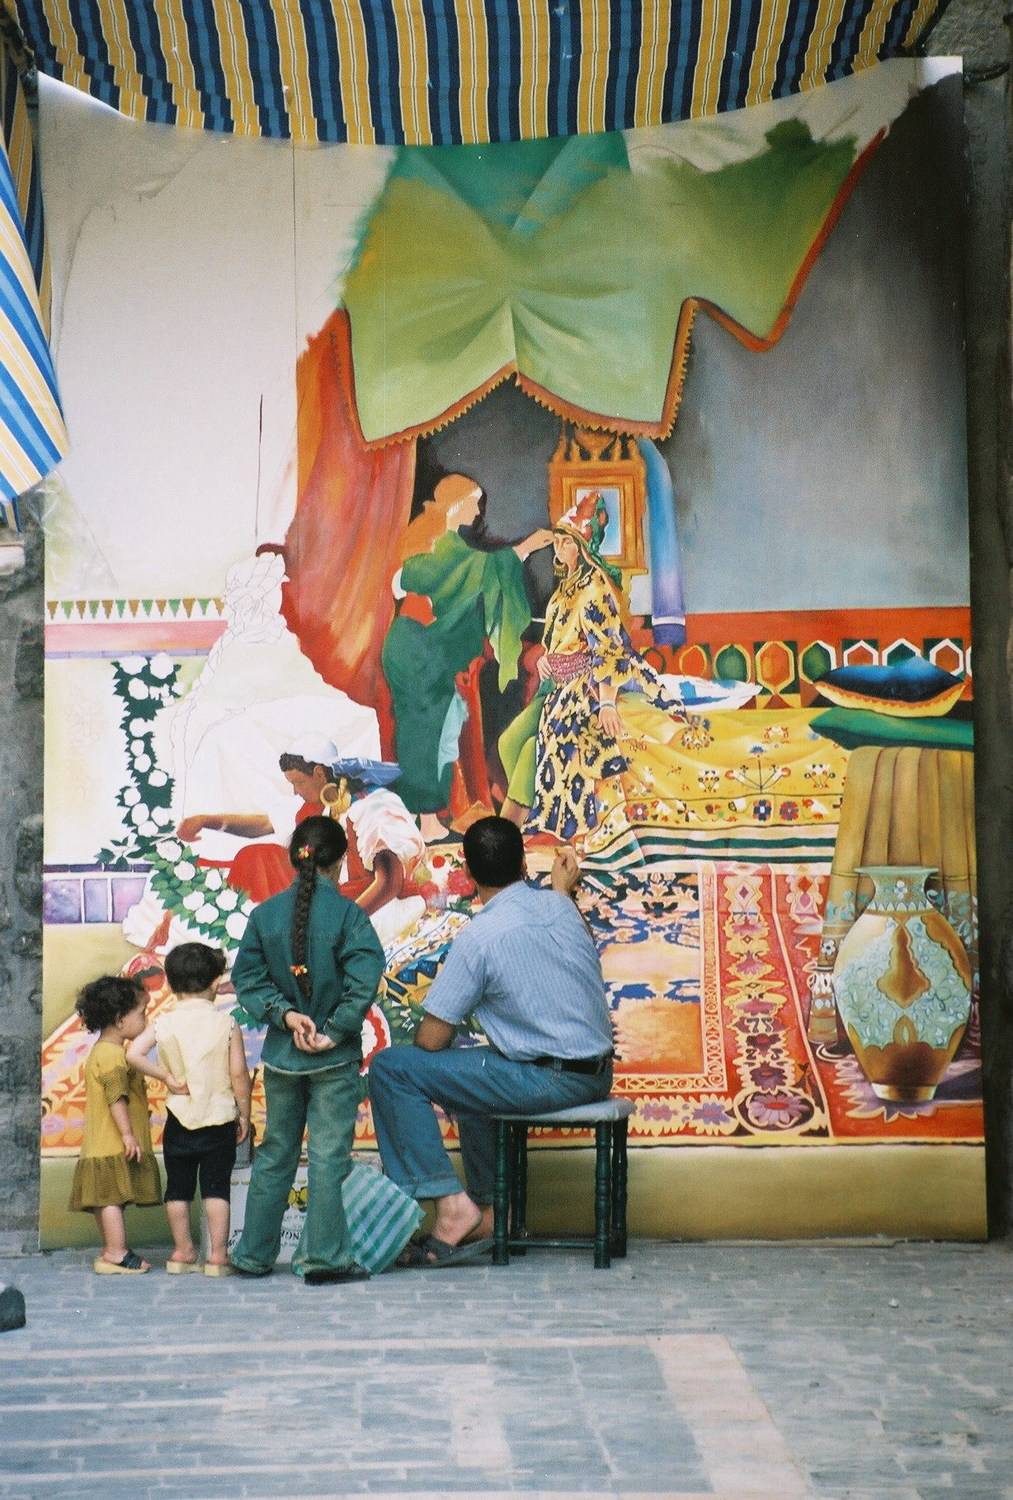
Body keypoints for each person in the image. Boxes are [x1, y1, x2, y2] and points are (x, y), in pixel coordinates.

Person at [368, 816, 614, 1266]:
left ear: (467, 872)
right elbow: (562, 923)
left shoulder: (479, 938)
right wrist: (562, 887)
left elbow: (430, 1042)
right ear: (523, 863)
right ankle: (491, 1210)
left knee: (392, 1069)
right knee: (473, 1071)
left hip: (547, 1080)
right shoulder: (561, 907)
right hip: (596, 1074)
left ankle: (452, 1208)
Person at [228, 816, 386, 1284]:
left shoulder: (264, 916)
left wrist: (285, 1016)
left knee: (276, 1152)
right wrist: (334, 1031)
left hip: (283, 1057)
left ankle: (253, 1255)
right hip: (333, 1059)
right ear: (339, 862)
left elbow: (248, 980)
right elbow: (363, 981)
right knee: (328, 1156)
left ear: (294, 859)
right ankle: (322, 1258)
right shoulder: (350, 917)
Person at [498, 491, 687, 842]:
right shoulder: (567, 586)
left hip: (585, 686)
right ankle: (524, 816)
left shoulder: (594, 587)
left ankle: (509, 834)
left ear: (583, 548)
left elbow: (609, 649)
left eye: (567, 542)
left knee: (531, 752)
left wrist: (607, 703)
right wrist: (544, 658)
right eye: (557, 540)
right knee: (508, 742)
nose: (559, 548)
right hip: (556, 684)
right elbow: (560, 635)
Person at [381, 473, 552, 842]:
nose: (477, 512)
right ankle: (427, 821)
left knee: (443, 729)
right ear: (456, 504)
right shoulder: (432, 543)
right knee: (424, 733)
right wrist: (523, 549)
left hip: (429, 652)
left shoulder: (449, 546)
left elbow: (470, 575)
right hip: (416, 650)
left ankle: (431, 819)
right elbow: (471, 572)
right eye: (473, 503)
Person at [126, 942, 252, 1277]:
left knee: (178, 1189)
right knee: (216, 1188)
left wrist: (166, 1076)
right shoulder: (227, 1024)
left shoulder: (164, 1023)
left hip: (179, 1118)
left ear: (170, 983)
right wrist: (244, 1114)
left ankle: (182, 1251)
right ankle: (218, 1256)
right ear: (215, 982)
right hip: (219, 1118)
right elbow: (239, 1074)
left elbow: (133, 1054)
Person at [68, 975, 164, 1274]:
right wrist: (127, 1135)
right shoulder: (113, 1056)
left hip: (102, 1144)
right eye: (141, 1013)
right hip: (112, 1142)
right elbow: (116, 1097)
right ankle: (116, 1252)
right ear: (121, 1019)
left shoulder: (103, 1051)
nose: (145, 1019)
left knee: (107, 1198)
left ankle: (112, 1247)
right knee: (111, 1198)